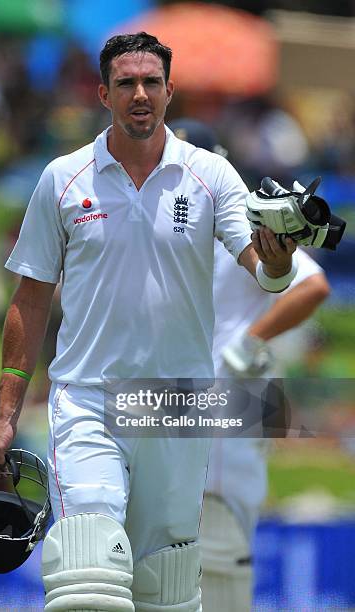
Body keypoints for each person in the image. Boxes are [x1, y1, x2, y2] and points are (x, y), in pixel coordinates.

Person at [0, 33, 297, 611]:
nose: (140, 94)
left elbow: (263, 268)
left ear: (170, 91)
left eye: (151, 83)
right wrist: (5, 415)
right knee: (89, 576)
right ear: (103, 93)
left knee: (165, 589)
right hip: (88, 399)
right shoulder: (64, 178)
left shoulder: (211, 176)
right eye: (126, 83)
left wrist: (277, 259)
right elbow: (29, 299)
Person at [170, 118, 330, 611]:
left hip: (229, 387)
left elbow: (313, 284)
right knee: (175, 542)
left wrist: (253, 339)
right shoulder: (165, 229)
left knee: (217, 538)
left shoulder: (237, 216)